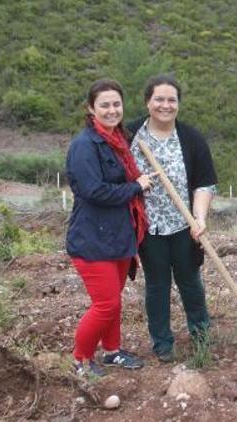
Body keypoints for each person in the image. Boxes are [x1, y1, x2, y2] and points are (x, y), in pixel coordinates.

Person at [128, 75, 217, 363]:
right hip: (148, 227)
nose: (165, 105)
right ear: (147, 102)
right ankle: (162, 342)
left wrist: (199, 218)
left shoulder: (191, 138)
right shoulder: (130, 136)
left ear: (178, 104)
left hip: (184, 225)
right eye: (159, 99)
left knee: (191, 280)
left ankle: (201, 334)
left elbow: (205, 183)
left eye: (172, 100)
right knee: (157, 285)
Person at [66, 79, 151, 377]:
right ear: (91, 108)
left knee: (113, 302)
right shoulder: (84, 145)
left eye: (116, 104)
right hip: (92, 238)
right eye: (105, 105)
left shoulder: (117, 141)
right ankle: (81, 360)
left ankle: (112, 352)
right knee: (105, 304)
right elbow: (93, 191)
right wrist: (135, 187)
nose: (112, 110)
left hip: (117, 235)